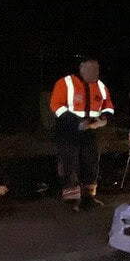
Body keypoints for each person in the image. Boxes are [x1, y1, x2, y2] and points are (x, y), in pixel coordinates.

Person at [49, 57, 114, 211]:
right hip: (67, 130)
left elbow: (108, 105)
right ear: (81, 68)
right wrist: (76, 122)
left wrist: (103, 117)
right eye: (91, 69)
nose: (95, 73)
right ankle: (71, 200)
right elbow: (56, 106)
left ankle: (88, 197)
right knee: (69, 163)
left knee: (90, 162)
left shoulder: (100, 86)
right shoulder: (65, 83)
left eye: (97, 70)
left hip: (90, 130)